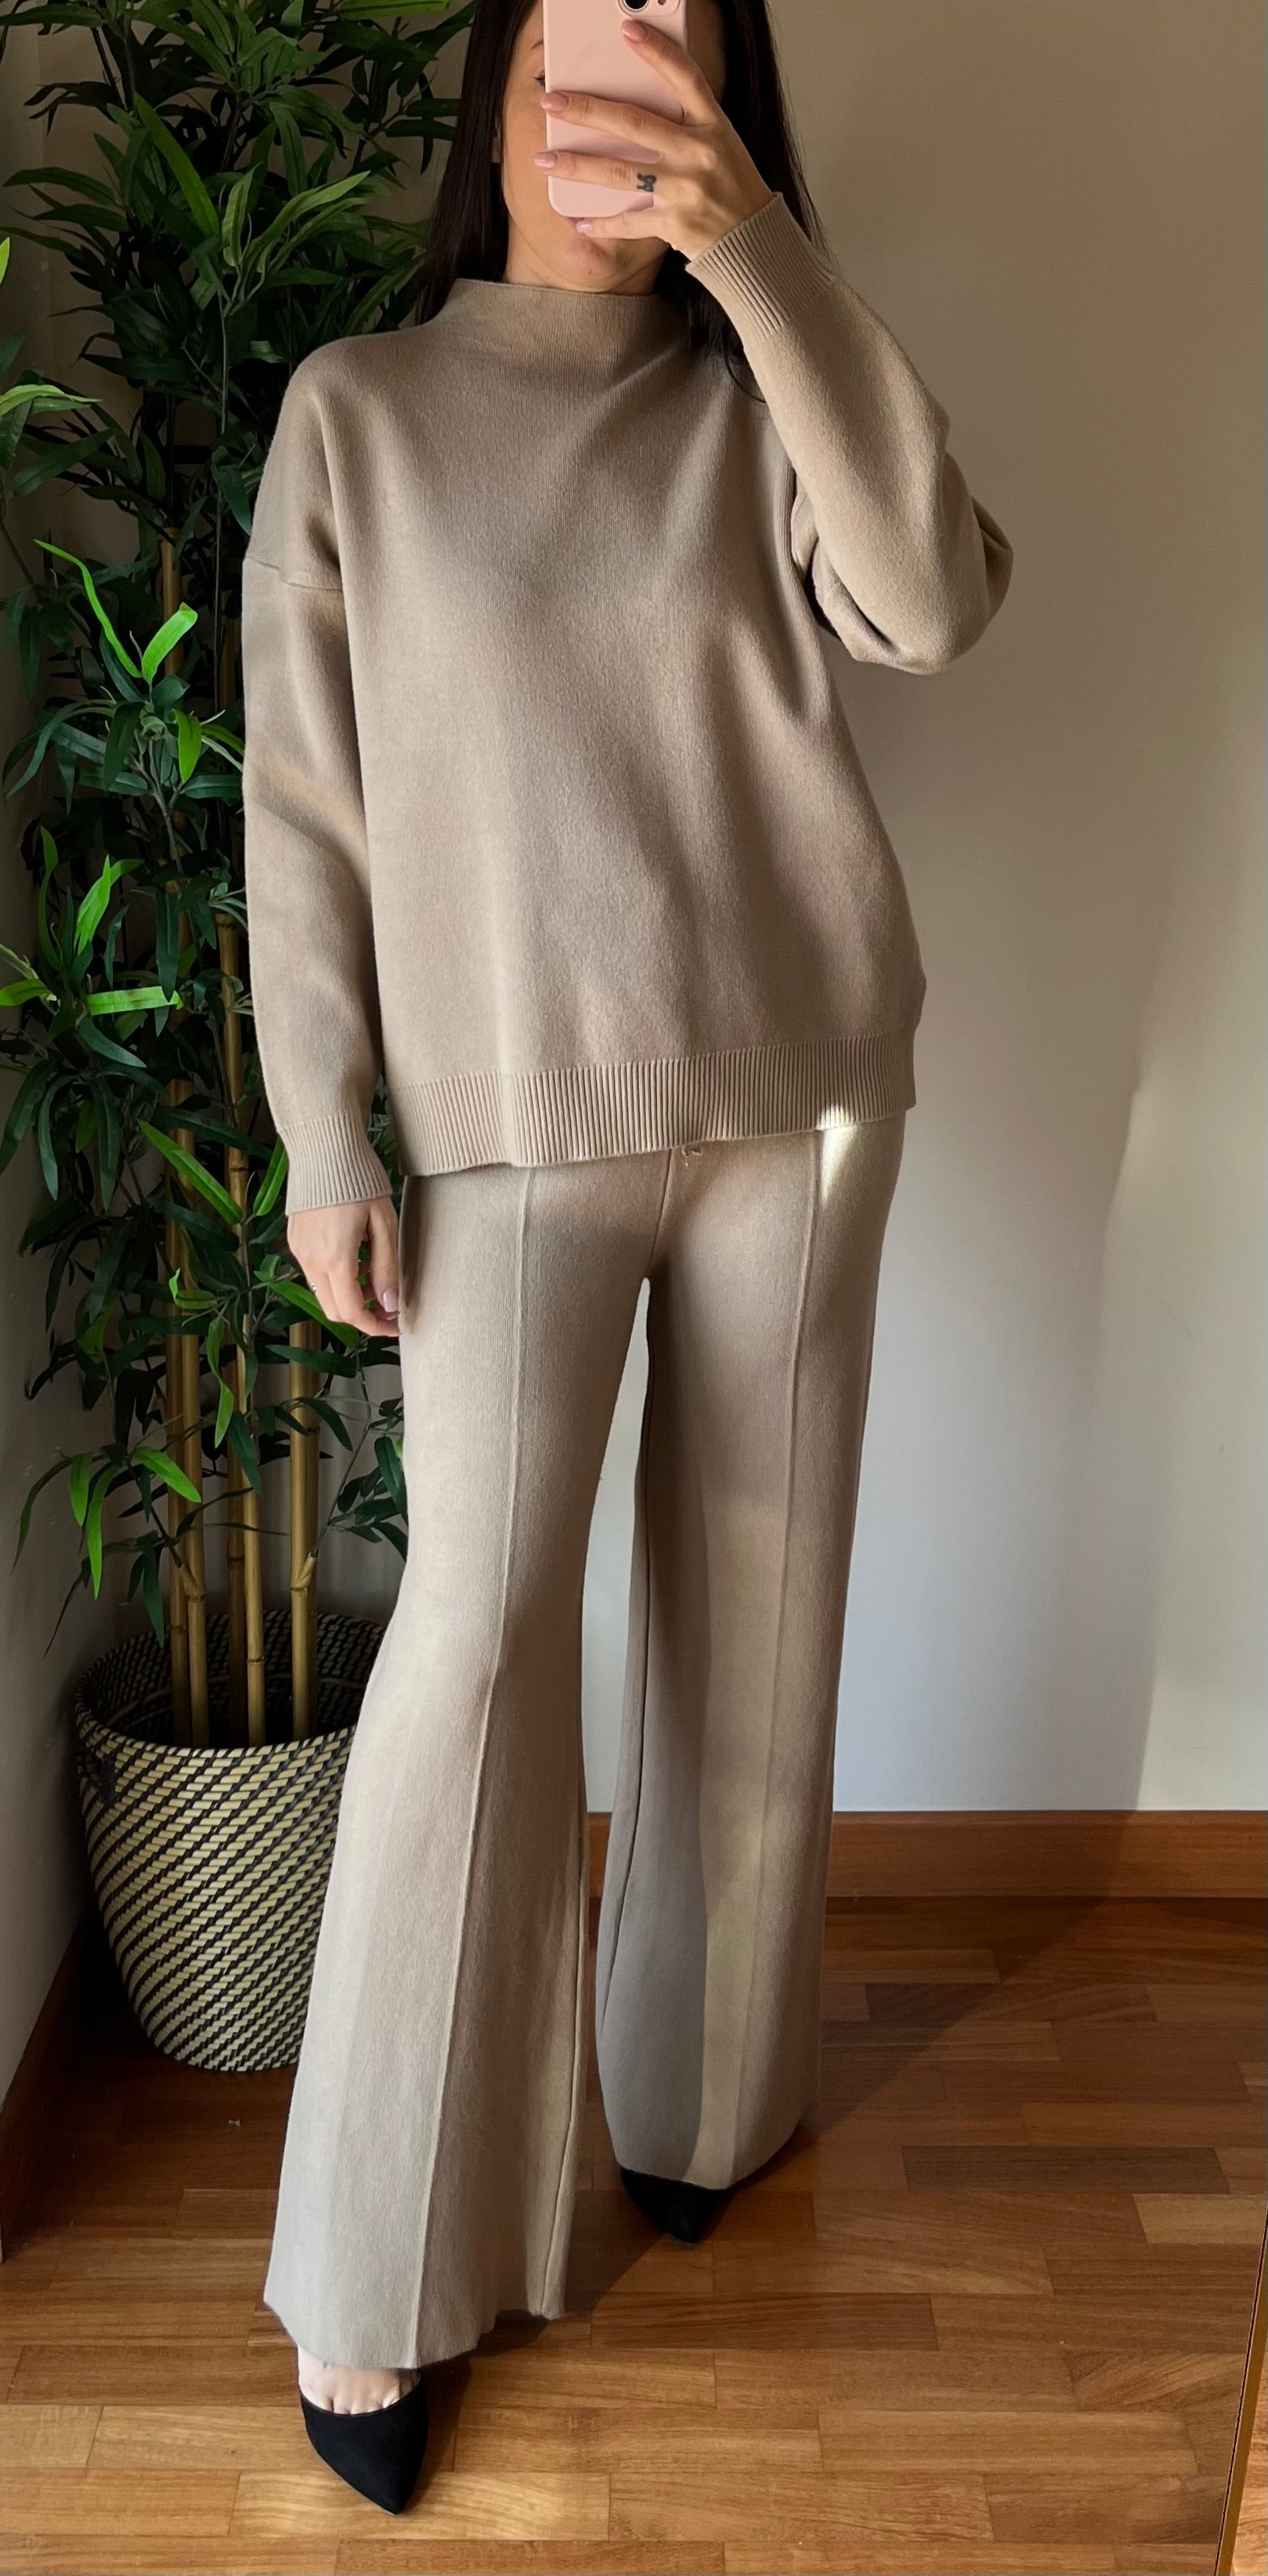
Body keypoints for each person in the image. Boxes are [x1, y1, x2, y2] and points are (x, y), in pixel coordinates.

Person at [240, 0, 1013, 2514]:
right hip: (503, 1140)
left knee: (754, 1623)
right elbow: (302, 807)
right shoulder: (361, 411)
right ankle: (370, 2269)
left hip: (799, 1092)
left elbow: (931, 603)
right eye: (582, 35)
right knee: (472, 1649)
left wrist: (762, 259)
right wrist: (319, 1132)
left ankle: (702, 2104)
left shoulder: (761, 378)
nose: (617, 85)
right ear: (497, 82)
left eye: (673, 38)